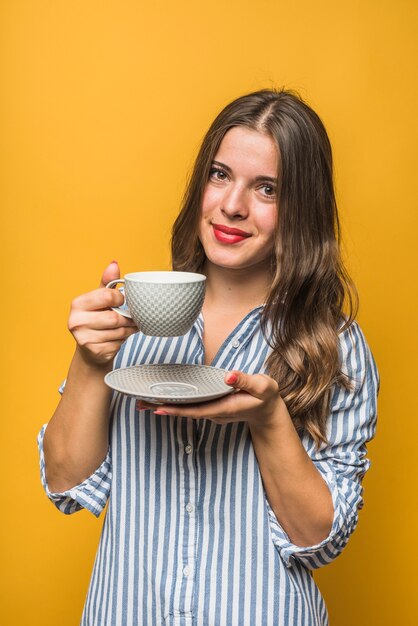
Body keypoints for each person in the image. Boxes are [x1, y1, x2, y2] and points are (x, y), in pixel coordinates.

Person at [38, 89, 379, 626]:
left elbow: (319, 541)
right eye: (220, 175)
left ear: (301, 208)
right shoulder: (131, 322)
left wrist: (268, 420)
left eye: (267, 188)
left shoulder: (332, 345)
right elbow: (66, 485)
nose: (233, 205)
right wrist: (89, 362)